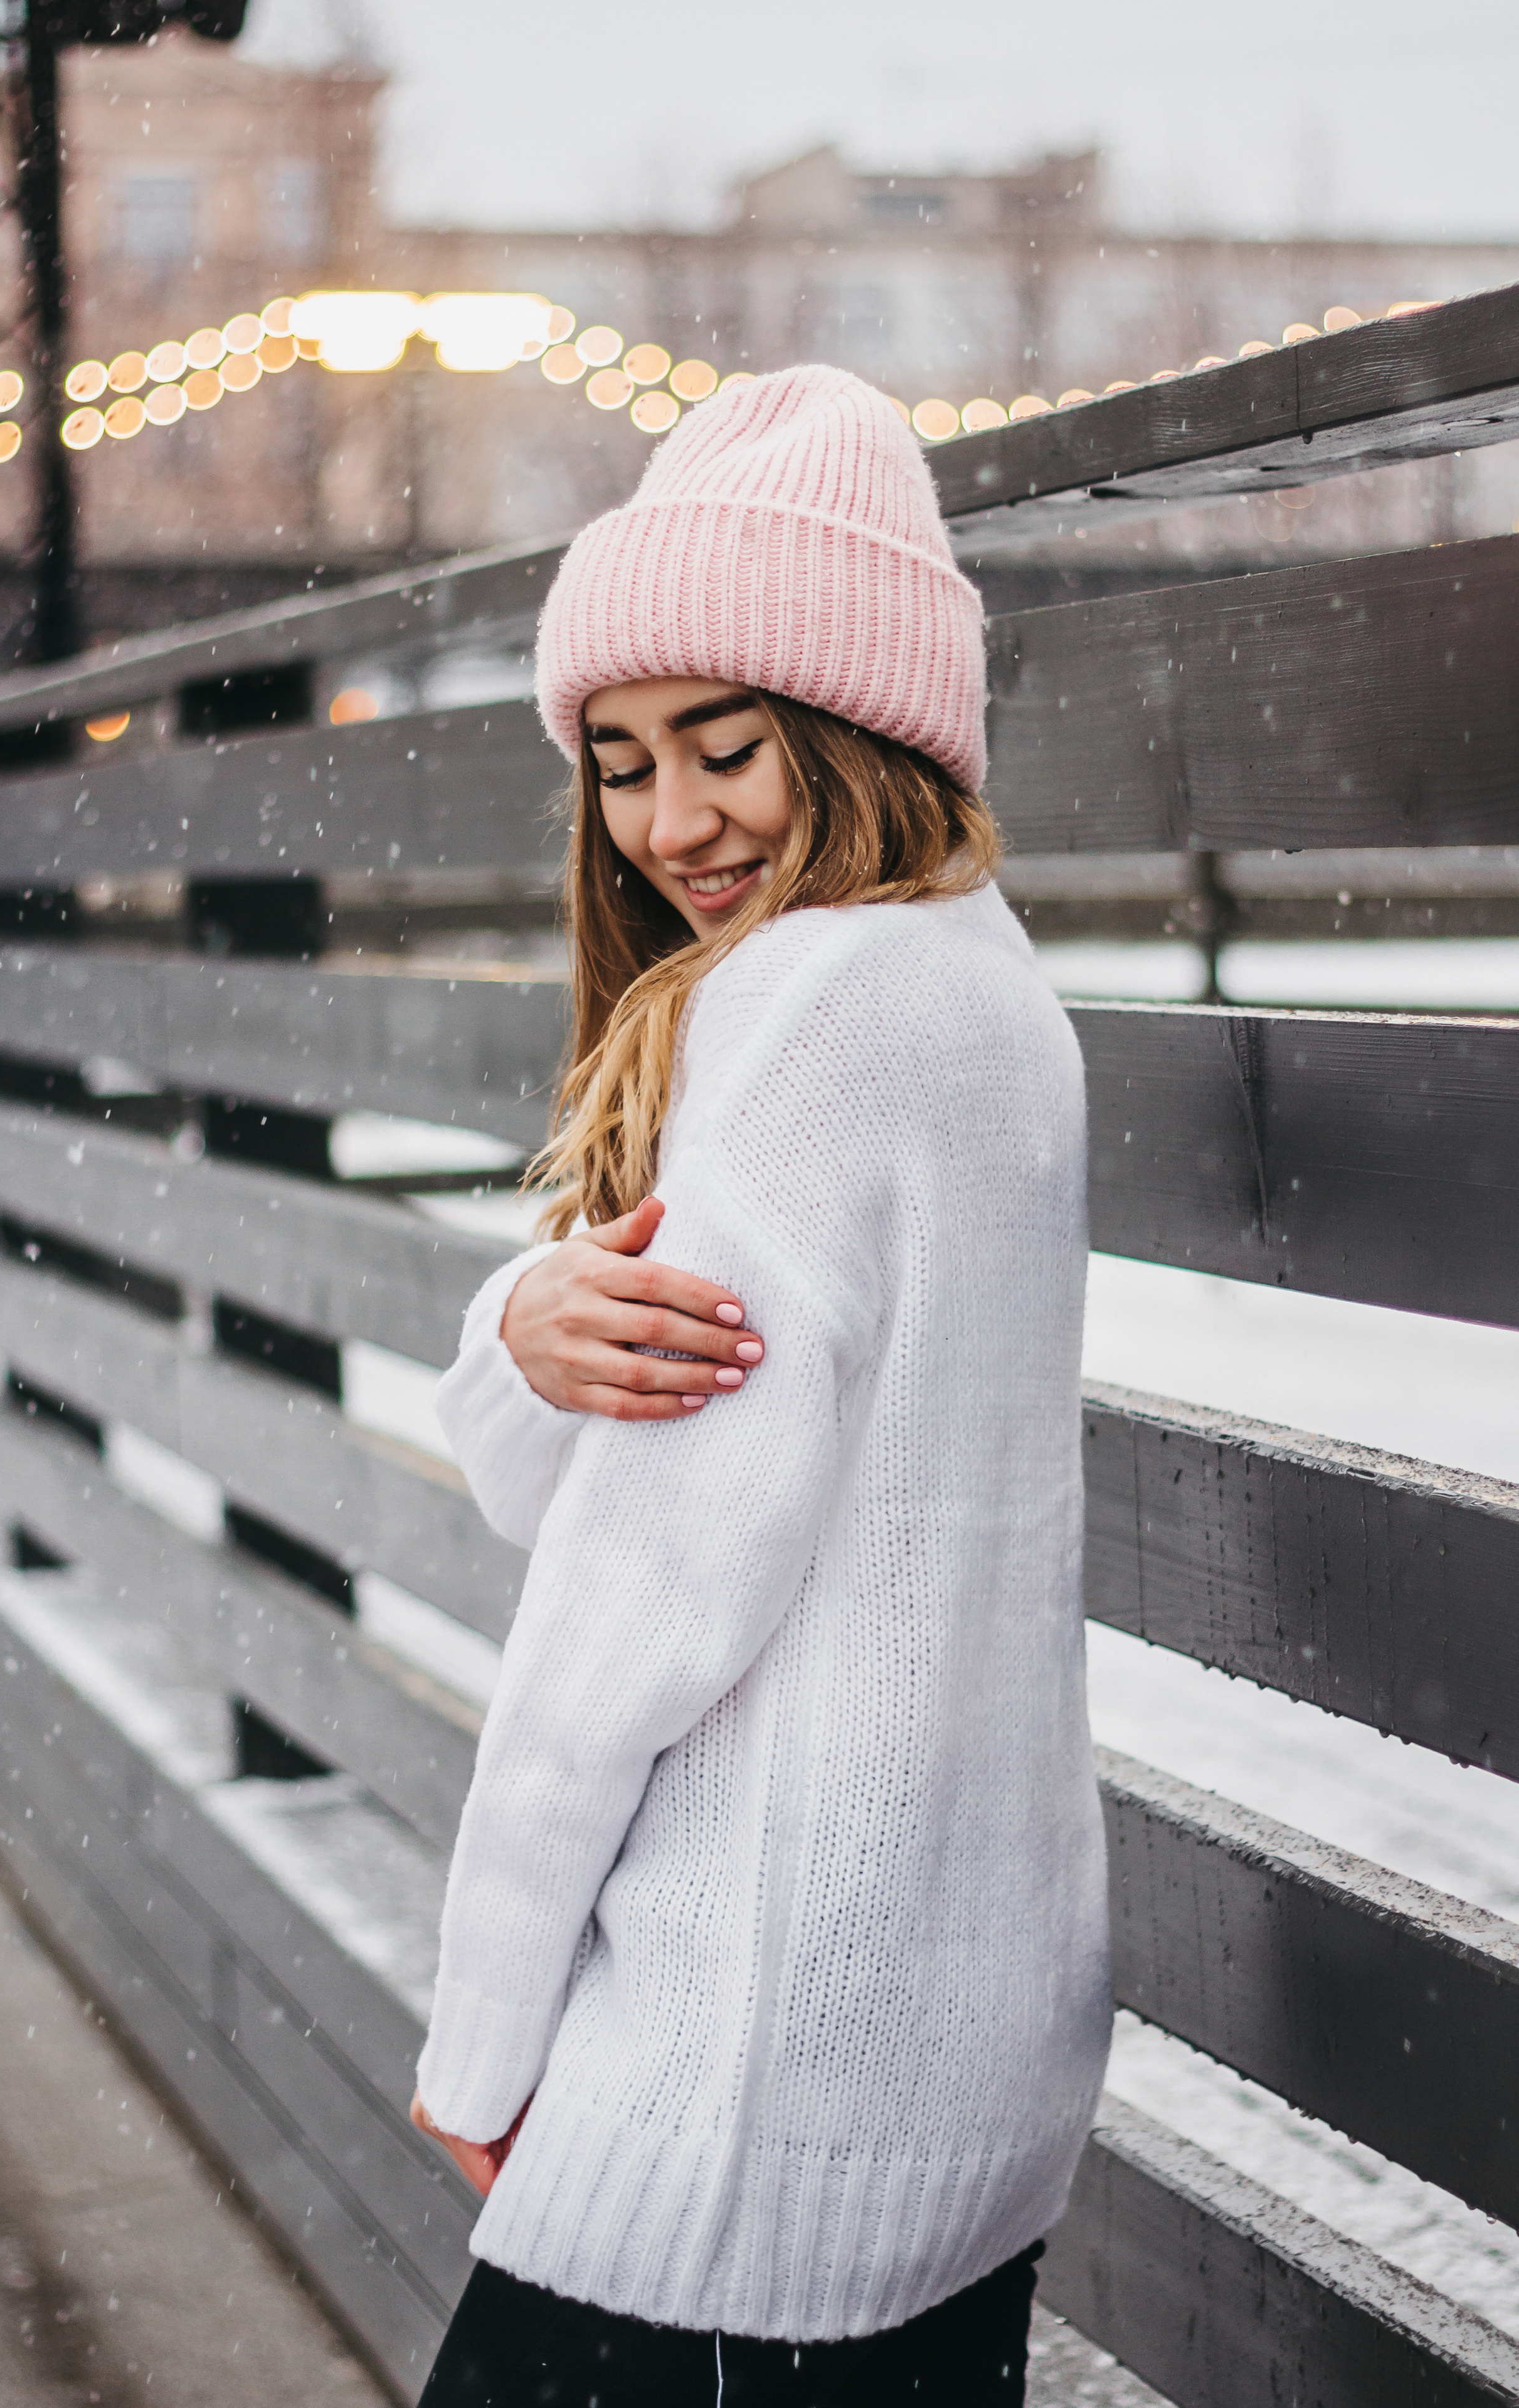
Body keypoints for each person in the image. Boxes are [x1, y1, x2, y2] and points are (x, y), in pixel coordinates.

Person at [409, 364, 1111, 2405]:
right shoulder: (985, 995)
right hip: (944, 2036)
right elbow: (604, 1468)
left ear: (864, 727)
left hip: (735, 2063)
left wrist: (483, 2027)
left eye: (728, 749)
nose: (673, 822)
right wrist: (530, 1329)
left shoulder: (812, 1013)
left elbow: (631, 1597)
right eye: (620, 763)